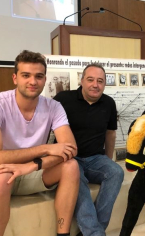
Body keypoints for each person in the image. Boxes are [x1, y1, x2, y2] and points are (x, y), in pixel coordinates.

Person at [0, 50, 80, 236]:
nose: (33, 81)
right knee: (2, 176)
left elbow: (70, 149)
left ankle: (63, 233)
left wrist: (32, 166)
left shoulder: (54, 106)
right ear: (15, 78)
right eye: (26, 75)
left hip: (30, 171)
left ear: (45, 80)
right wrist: (45, 148)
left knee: (71, 166)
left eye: (39, 76)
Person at [54, 63, 124, 236]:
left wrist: (108, 159)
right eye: (90, 79)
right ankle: (94, 233)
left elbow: (110, 134)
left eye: (100, 81)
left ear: (104, 84)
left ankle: (93, 230)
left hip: (95, 159)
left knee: (116, 172)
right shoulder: (63, 99)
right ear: (81, 80)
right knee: (76, 177)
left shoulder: (108, 103)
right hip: (69, 158)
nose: (95, 84)